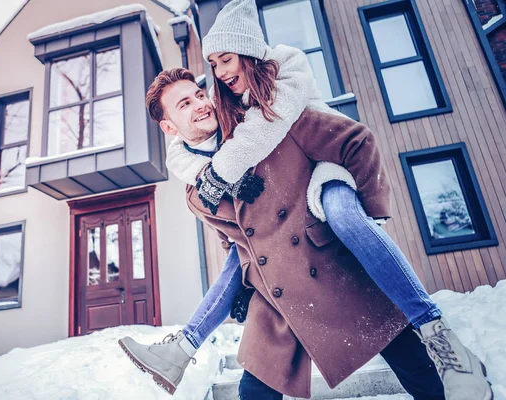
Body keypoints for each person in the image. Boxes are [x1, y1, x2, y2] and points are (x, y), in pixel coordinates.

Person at [119, 1, 492, 399]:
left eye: (198, 94)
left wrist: (368, 217)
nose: (202, 102)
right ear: (168, 126)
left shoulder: (267, 115)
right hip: (275, 288)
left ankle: (443, 344)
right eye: (185, 103)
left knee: (411, 363)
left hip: (324, 255)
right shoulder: (197, 187)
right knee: (256, 390)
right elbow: (234, 238)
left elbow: (353, 141)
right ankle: (183, 346)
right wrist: (243, 285)